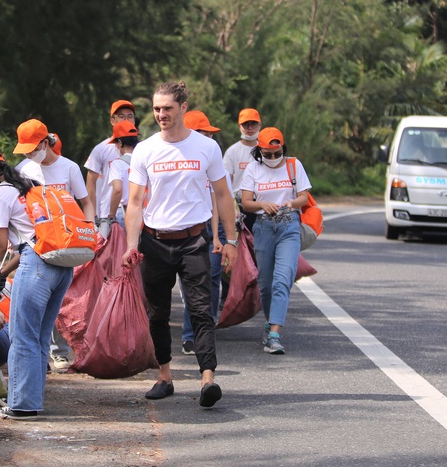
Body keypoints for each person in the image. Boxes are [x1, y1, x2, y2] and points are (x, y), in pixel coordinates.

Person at [121, 81, 238, 409]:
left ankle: (207, 378)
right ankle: (165, 376)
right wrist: (131, 246)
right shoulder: (145, 149)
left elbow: (224, 195)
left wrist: (230, 240)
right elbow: (133, 202)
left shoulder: (206, 148)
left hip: (194, 241)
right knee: (157, 313)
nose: (161, 114)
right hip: (154, 242)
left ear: (183, 107)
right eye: (157, 109)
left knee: (201, 309)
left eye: (167, 109)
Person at [0, 145, 75, 420]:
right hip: (61, 266)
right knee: (37, 338)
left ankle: (21, 405)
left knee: (22, 336)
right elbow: (30, 242)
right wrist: (0, 275)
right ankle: (31, 401)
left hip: (37, 266)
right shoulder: (30, 186)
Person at [16, 119, 93, 371]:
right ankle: (45, 355)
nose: (28, 153)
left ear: (44, 143)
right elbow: (17, 209)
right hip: (37, 247)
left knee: (63, 301)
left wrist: (90, 231)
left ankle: (61, 350)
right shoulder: (23, 171)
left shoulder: (69, 168)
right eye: (24, 150)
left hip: (68, 244)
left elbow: (85, 202)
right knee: (37, 303)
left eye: (31, 148)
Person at [239, 127, 310, 355]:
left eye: (276, 153)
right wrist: (262, 205)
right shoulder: (253, 169)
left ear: (282, 148)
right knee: (266, 284)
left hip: (289, 225)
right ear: (259, 151)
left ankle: (275, 335)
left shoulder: (293, 165)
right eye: (267, 154)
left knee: (282, 280)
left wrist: (290, 204)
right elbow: (246, 203)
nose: (272, 158)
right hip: (263, 227)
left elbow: (303, 196)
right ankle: (270, 323)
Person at [179, 110, 227, 355]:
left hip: (212, 224)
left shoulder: (211, 155)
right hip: (189, 226)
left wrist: (220, 236)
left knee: (213, 278)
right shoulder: (180, 157)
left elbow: (219, 198)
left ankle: (207, 325)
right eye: (205, 132)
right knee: (194, 282)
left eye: (210, 133)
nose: (210, 136)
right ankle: (190, 334)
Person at [85, 100, 137, 237]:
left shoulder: (144, 149)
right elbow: (90, 184)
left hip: (138, 213)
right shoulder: (101, 149)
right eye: (121, 116)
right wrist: (92, 215)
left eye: (130, 116)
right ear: (112, 120)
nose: (126, 119)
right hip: (107, 215)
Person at [106, 120, 139, 232]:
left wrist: (111, 214)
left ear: (119, 143)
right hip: (144, 212)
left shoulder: (117, 164)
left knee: (124, 248)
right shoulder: (143, 161)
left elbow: (118, 190)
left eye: (115, 143)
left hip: (125, 212)